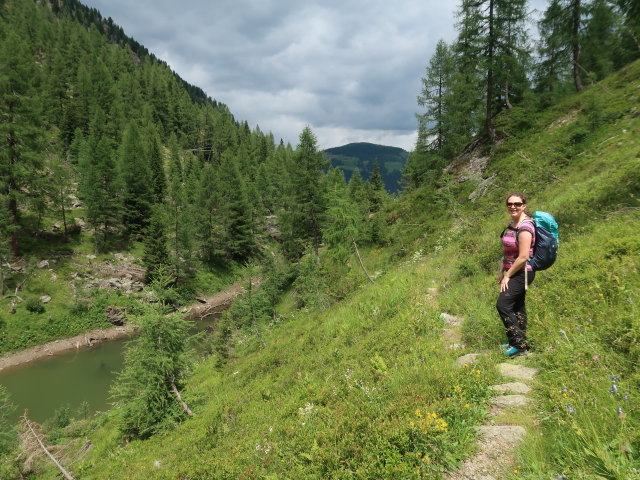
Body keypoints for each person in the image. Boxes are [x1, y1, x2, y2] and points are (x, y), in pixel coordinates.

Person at [497, 192, 535, 357]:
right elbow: (507, 251)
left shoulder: (525, 228)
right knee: (517, 306)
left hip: (522, 273)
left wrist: (508, 276)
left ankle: (518, 345)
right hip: (513, 272)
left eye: (517, 204)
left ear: (524, 206)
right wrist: (501, 269)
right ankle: (520, 342)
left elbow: (523, 257)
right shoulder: (512, 224)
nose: (513, 206)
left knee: (503, 305)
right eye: (510, 204)